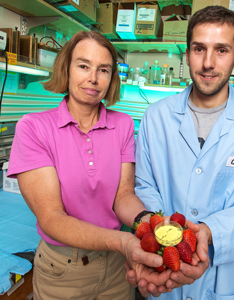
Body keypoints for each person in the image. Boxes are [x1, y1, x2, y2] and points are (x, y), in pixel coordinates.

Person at [127, 5, 234, 299]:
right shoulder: (156, 116)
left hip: (228, 281)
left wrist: (209, 231)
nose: (208, 62)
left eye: (221, 50)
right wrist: (164, 231)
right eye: (199, 48)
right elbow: (143, 186)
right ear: (187, 53)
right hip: (164, 277)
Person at [7, 31, 168, 300]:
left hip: (118, 266)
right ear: (66, 68)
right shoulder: (34, 127)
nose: (93, 78)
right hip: (63, 269)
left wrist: (148, 223)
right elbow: (51, 218)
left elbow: (123, 195)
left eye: (103, 69)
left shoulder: (123, 124)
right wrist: (123, 241)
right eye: (83, 66)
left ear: (111, 78)